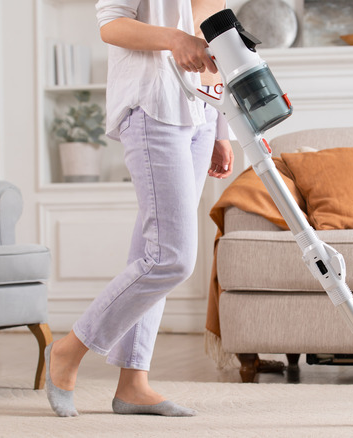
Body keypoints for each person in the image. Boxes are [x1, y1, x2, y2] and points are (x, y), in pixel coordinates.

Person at [44, 0, 232, 418]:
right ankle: (67, 350)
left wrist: (221, 126)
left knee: (152, 251)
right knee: (171, 257)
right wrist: (174, 39)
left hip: (200, 115)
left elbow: (212, 37)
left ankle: (133, 382)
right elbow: (111, 25)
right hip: (153, 107)